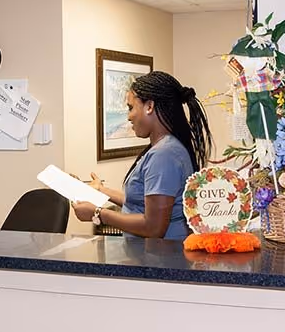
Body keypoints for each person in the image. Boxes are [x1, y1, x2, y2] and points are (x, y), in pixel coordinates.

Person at [72, 71, 213, 239]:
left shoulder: (164, 155)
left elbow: (153, 228)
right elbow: (140, 204)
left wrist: (98, 213)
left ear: (150, 106)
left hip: (160, 260)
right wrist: (101, 190)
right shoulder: (167, 148)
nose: (129, 116)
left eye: (131, 107)